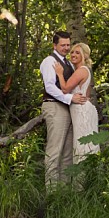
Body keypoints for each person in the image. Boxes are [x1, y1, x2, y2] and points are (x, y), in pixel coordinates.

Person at [40, 31, 88, 187]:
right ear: (55, 45)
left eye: (68, 45)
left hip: (67, 108)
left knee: (67, 153)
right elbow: (49, 86)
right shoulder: (49, 61)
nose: (66, 48)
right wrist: (70, 98)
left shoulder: (67, 63)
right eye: (63, 45)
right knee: (54, 151)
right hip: (54, 106)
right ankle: (52, 191)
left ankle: (64, 191)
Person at [56, 42, 100, 162]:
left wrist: (59, 74)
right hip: (83, 108)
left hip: (81, 111)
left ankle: (83, 175)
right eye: (72, 52)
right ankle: (91, 171)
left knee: (82, 142)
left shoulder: (81, 71)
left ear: (84, 56)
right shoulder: (86, 70)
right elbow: (86, 94)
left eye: (77, 52)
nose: (73, 54)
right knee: (88, 141)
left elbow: (65, 89)